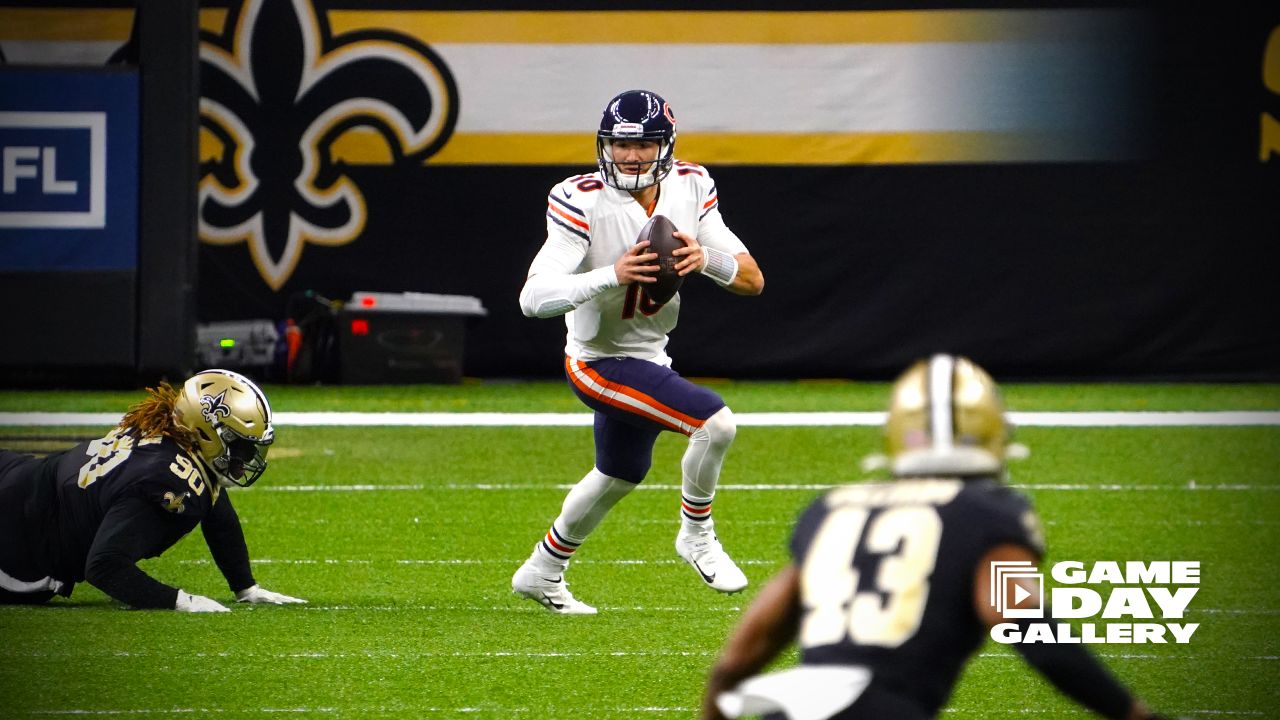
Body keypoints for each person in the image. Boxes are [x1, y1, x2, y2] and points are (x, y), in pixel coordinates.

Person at [700, 354, 1173, 720]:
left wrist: (717, 706)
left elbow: (746, 649)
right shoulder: (988, 513)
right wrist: (1129, 712)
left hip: (794, 706)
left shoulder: (832, 508)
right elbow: (1027, 626)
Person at [512, 89, 765, 615]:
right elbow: (532, 298)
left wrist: (707, 260)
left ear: (666, 144)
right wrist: (611, 274)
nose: (630, 156)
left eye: (644, 144)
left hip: (650, 355)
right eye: (619, 144)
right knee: (714, 424)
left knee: (618, 473)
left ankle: (542, 570)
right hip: (595, 362)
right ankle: (696, 536)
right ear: (603, 145)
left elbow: (752, 280)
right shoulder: (579, 198)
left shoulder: (692, 185)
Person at [0, 369, 304, 612]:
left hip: (19, 476)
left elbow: (214, 503)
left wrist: (245, 587)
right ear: (204, 432)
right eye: (240, 446)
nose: (246, 459)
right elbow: (104, 566)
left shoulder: (169, 435)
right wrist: (179, 600)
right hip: (17, 543)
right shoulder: (173, 481)